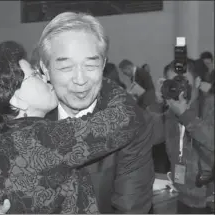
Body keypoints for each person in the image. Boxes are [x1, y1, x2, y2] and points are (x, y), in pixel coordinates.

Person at [0, 40, 146, 214]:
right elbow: (127, 116)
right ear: (16, 99)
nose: (45, 77)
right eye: (35, 75)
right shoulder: (40, 140)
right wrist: (92, 77)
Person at [30, 12, 154, 213]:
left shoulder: (132, 124)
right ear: (45, 68)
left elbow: (130, 208)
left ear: (103, 65)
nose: (80, 79)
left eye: (90, 65)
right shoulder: (26, 118)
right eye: (65, 66)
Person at [147, 59, 214, 213]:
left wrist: (186, 115)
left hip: (209, 199)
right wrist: (157, 103)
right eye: (173, 83)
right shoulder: (171, 112)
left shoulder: (210, 106)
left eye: (183, 81)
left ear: (197, 82)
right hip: (182, 196)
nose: (179, 88)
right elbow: (148, 137)